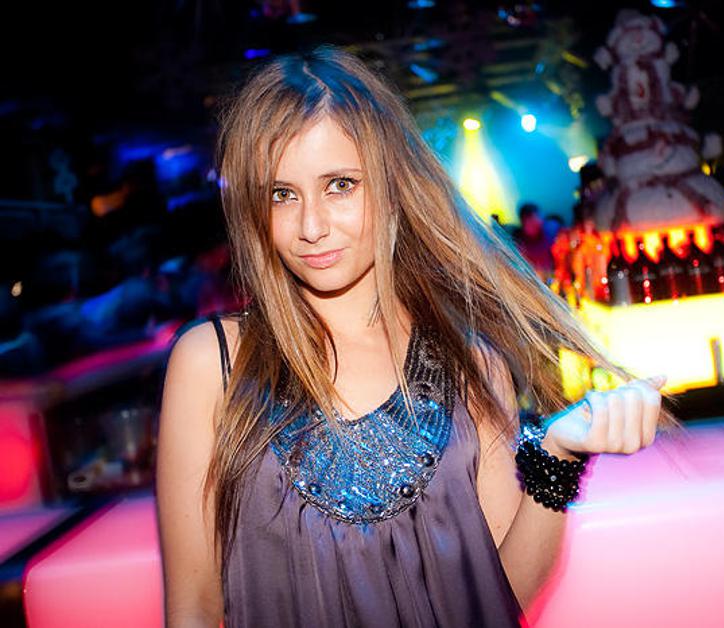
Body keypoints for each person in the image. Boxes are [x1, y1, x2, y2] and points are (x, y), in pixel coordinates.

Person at [156, 45, 677, 628]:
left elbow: (499, 598)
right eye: (282, 194)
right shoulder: (214, 364)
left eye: (339, 185)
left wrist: (557, 455)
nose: (310, 225)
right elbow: (193, 608)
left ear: (390, 185)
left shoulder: (471, 366)